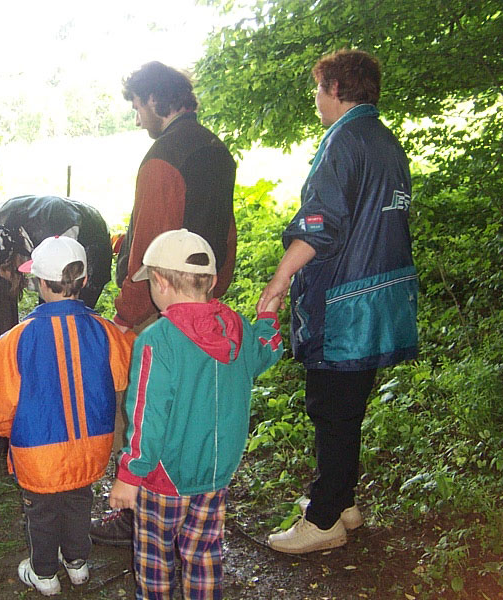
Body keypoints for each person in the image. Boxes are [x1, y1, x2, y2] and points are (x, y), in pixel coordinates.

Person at [257, 49, 418, 554]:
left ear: (335, 89)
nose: (316, 99)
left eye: (318, 88)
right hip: (383, 298)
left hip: (346, 302)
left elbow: (319, 225)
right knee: (348, 408)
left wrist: (279, 280)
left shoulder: (343, 141)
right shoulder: (385, 140)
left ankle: (324, 519)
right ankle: (343, 500)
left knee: (330, 408)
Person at [93, 60, 239, 546]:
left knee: (145, 406)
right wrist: (214, 288)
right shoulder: (216, 150)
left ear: (156, 100)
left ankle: (137, 512)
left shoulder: (164, 156)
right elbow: (226, 230)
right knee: (193, 408)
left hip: (161, 304)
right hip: (204, 295)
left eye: (137, 106)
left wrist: (128, 311)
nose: (137, 118)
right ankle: (191, 504)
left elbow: (149, 248)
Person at [108, 229, 283, 599]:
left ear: (159, 282)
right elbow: (265, 351)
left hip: (165, 477)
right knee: (203, 554)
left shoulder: (158, 340)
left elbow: (147, 416)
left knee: (155, 561)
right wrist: (267, 317)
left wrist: (130, 475)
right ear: (213, 281)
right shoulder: (237, 328)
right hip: (216, 473)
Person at [0, 236, 134, 596]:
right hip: (92, 444)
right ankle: (78, 564)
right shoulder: (106, 330)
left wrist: (11, 431)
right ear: (84, 280)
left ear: (38, 283)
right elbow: (122, 376)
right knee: (80, 502)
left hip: (38, 448)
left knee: (41, 511)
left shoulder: (14, 340)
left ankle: (45, 573)